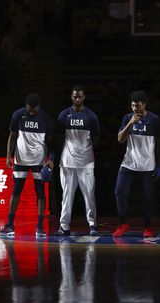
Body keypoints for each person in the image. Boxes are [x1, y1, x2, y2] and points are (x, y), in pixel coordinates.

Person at [0, 93, 54, 237]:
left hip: (39, 161)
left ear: (39, 106)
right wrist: (8, 155)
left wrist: (50, 159)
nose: (31, 111)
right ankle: (10, 224)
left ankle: (40, 225)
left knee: (40, 193)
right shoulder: (18, 115)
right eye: (29, 107)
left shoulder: (46, 119)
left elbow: (51, 142)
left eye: (33, 109)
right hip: (20, 160)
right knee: (16, 191)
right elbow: (12, 136)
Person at [112, 91, 160, 238]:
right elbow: (120, 139)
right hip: (129, 163)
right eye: (133, 106)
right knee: (119, 192)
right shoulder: (127, 118)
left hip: (147, 165)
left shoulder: (154, 120)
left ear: (144, 105)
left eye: (138, 106)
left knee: (148, 198)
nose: (135, 109)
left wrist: (159, 165)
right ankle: (123, 224)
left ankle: (148, 227)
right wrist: (130, 123)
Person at [55, 86, 99, 236]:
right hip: (67, 161)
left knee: (89, 194)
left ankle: (92, 224)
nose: (77, 99)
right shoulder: (63, 115)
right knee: (67, 195)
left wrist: (86, 150)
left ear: (84, 97)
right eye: (75, 97)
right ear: (71, 98)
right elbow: (58, 138)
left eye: (80, 97)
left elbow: (96, 138)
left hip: (86, 162)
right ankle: (64, 226)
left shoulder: (91, 116)